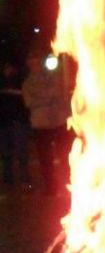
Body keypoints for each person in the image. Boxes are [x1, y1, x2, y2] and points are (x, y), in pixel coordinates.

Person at [22, 49, 72, 196]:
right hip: (40, 124)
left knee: (65, 156)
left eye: (36, 60)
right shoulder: (27, 83)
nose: (34, 64)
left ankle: (68, 184)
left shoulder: (54, 77)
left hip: (59, 121)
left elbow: (61, 93)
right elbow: (29, 102)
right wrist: (48, 96)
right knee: (45, 160)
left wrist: (43, 97)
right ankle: (51, 187)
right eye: (31, 61)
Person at [0, 58, 31, 189]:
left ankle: (25, 179)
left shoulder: (21, 81)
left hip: (18, 121)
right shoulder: (2, 82)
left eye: (9, 67)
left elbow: (27, 99)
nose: (7, 70)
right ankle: (8, 180)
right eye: (5, 67)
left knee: (21, 152)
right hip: (3, 123)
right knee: (6, 154)